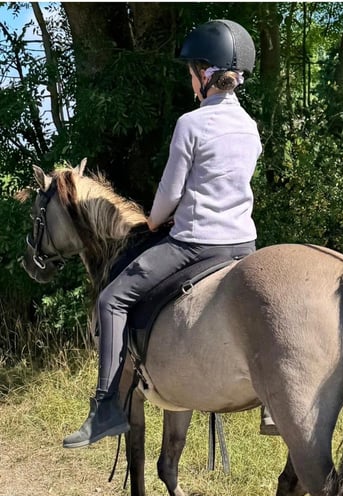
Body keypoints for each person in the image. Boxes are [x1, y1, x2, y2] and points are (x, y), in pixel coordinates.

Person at [63, 19, 275, 449]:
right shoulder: (250, 126)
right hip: (243, 244)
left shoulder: (191, 124)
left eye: (191, 73)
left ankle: (106, 409)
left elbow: (170, 194)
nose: (190, 81)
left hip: (196, 244)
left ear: (204, 74)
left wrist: (154, 222)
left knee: (111, 299)